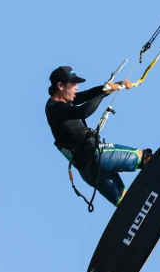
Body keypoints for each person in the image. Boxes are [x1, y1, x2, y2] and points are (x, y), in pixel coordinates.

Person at [45, 65, 153, 207]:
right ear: (60, 86)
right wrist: (103, 93)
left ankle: (138, 222)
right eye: (73, 84)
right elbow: (83, 112)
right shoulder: (55, 108)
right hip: (97, 156)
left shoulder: (63, 103)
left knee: (125, 204)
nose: (76, 87)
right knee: (143, 156)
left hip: (88, 172)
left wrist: (111, 86)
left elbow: (88, 94)